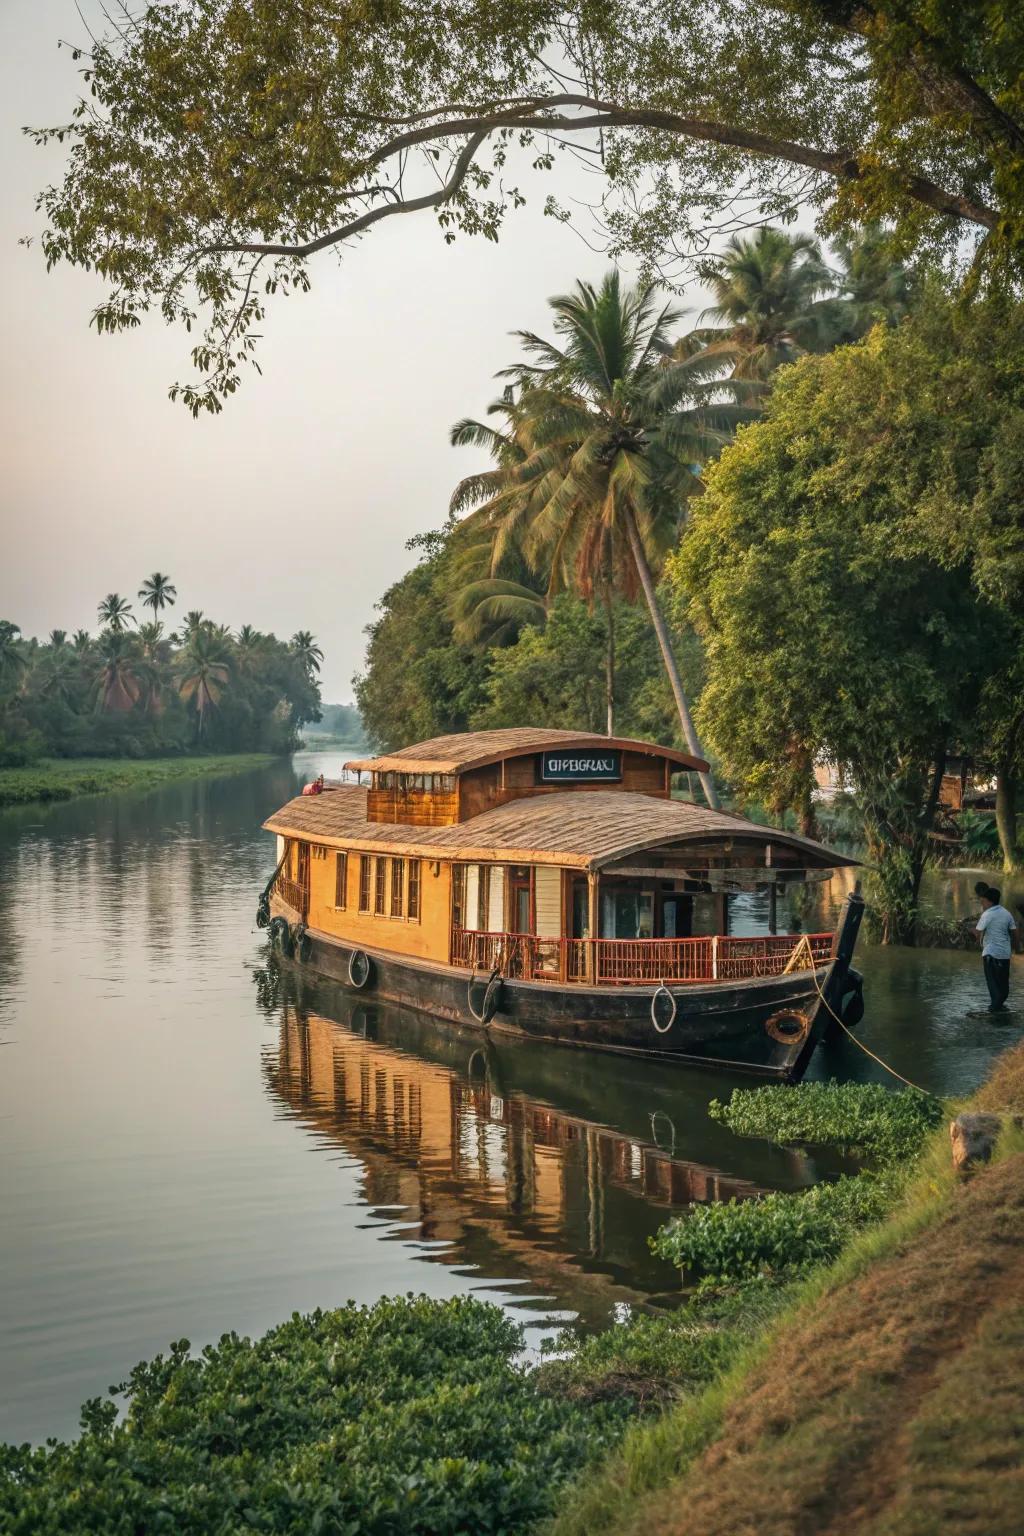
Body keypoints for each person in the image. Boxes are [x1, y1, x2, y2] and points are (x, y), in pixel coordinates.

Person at [976, 886, 1019, 1013]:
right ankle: (998, 1008)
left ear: (990, 901)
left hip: (990, 955)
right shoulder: (1007, 913)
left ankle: (993, 1010)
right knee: (1003, 987)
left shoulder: (987, 914)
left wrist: (971, 931)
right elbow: (1015, 932)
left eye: (983, 902)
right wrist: (1017, 949)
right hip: (1005, 955)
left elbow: (977, 933)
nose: (982, 905)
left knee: (993, 985)